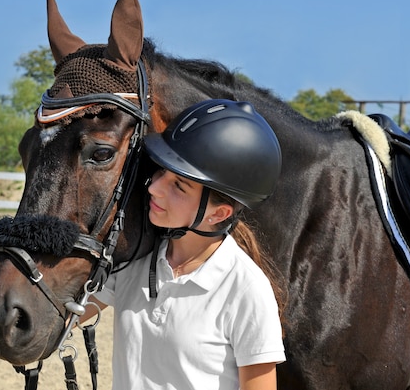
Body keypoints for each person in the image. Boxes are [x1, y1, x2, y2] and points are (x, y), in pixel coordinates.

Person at [83, 99, 286, 390]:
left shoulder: (246, 290)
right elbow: (60, 317)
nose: (154, 188)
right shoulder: (132, 263)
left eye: (179, 186)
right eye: (161, 172)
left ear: (219, 213)